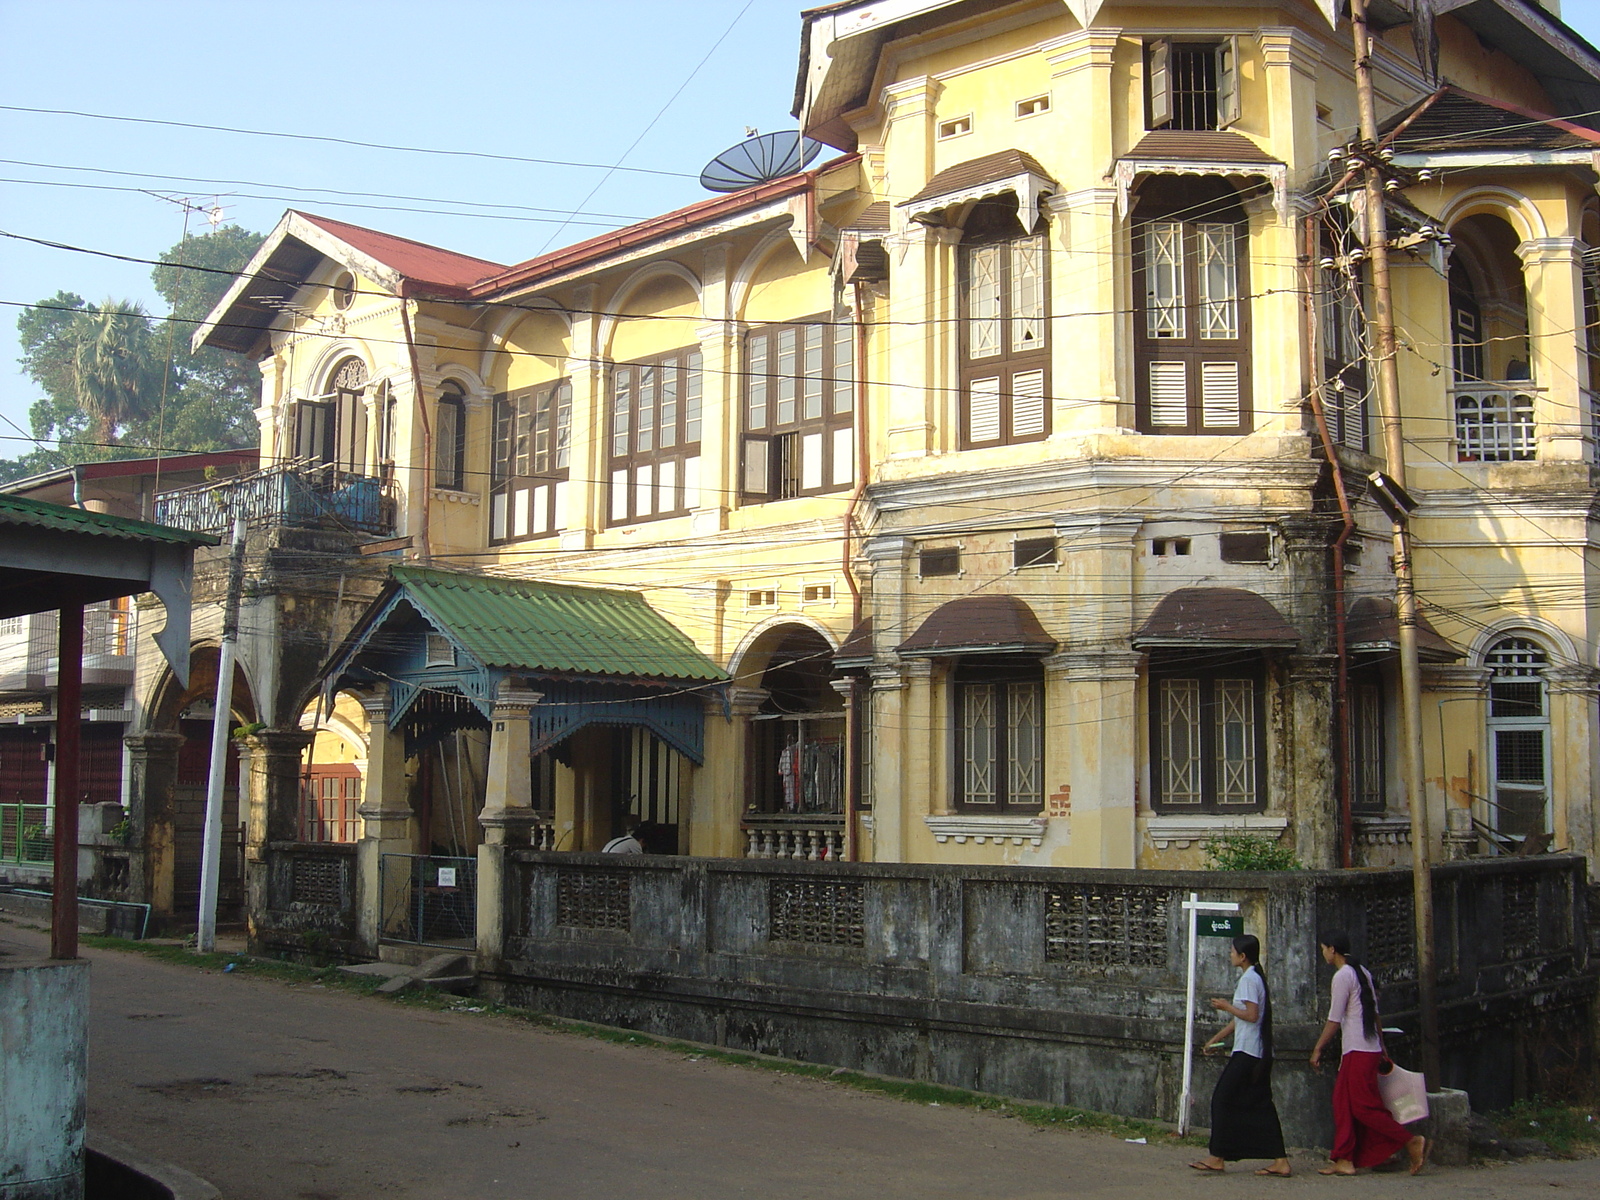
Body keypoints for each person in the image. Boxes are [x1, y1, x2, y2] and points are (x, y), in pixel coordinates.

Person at [1309, 930, 1428, 1176]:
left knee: (1363, 1107)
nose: (1323, 954)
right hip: (1367, 1049)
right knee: (1344, 1102)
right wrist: (1382, 1046)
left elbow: (1334, 1019)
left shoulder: (1343, 976)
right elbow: (1375, 1015)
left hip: (1357, 1051)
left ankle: (1408, 1140)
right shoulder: (1363, 972)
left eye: (1323, 949)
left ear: (1332, 949)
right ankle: (1348, 1158)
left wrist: (1318, 1048)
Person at [1189, 934, 1291, 1177]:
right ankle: (1280, 1160)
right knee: (1261, 1105)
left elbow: (1251, 1015)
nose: (1230, 955)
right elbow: (1242, 1019)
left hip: (1248, 1051)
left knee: (1222, 1098)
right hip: (1252, 1049)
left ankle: (1217, 1156)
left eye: (1232, 951)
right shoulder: (1254, 978)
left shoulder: (1249, 979)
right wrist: (1215, 1038)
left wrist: (1226, 1006)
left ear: (1243, 956)